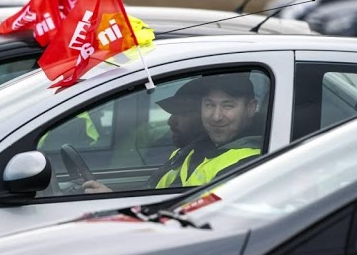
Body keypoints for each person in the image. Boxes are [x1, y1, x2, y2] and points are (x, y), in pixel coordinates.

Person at [84, 73, 264, 194]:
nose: (216, 116)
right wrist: (111, 198)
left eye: (228, 106)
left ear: (250, 108)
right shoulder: (191, 151)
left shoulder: (250, 164)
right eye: (209, 105)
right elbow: (152, 200)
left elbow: (190, 219)